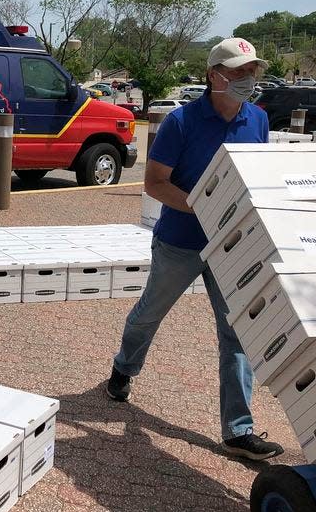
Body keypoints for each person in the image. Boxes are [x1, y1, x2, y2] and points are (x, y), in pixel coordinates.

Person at [105, 37, 284, 461]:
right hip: (180, 243)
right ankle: (124, 368)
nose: (247, 79)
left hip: (233, 247)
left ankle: (238, 430)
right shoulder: (181, 123)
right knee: (150, 313)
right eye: (239, 72)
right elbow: (155, 183)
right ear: (214, 75)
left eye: (252, 71)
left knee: (236, 331)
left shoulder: (257, 120)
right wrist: (206, 210)